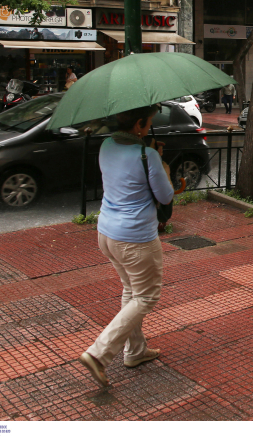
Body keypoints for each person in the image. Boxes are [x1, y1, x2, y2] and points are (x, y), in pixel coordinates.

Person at [78, 104, 174, 388]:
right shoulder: (147, 156)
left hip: (106, 233)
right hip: (135, 238)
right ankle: (99, 353)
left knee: (131, 291)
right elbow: (165, 196)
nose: (148, 127)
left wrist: (150, 155)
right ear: (139, 125)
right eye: (148, 123)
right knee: (146, 296)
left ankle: (135, 351)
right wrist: (159, 162)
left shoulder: (107, 144)